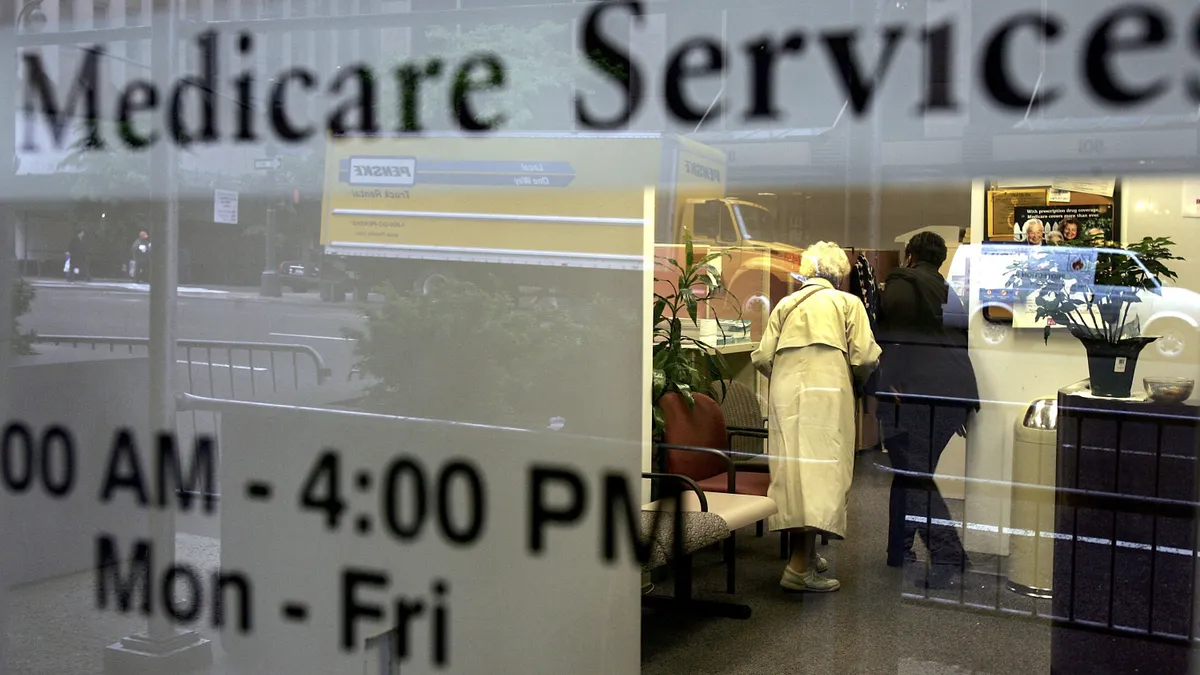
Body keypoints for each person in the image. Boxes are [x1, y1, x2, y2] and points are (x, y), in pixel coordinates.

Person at [751, 241, 881, 593]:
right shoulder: (847, 303)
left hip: (786, 394)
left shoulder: (786, 304)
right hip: (829, 392)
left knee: (793, 472)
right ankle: (798, 569)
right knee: (823, 473)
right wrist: (853, 380)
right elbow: (866, 357)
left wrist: (785, 377)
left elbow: (762, 357)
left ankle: (804, 555)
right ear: (839, 274)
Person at [875, 232, 980, 588]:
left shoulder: (902, 280)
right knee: (911, 472)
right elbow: (959, 342)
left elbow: (899, 336)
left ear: (909, 255)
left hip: (916, 395)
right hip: (953, 394)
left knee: (914, 476)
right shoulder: (949, 292)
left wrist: (893, 379)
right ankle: (898, 550)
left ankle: (948, 554)